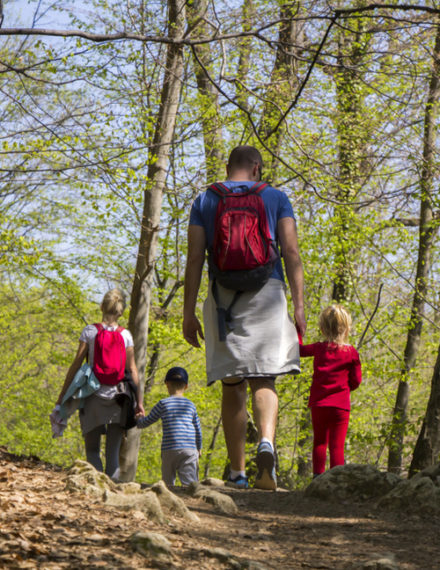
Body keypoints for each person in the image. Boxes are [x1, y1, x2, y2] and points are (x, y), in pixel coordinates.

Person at [183, 145, 306, 490]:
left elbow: (194, 258)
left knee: (232, 384)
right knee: (265, 379)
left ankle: (237, 472)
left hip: (224, 298)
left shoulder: (206, 200)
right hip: (268, 291)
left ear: (228, 167)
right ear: (256, 168)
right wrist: (298, 306)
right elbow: (291, 252)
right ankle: (266, 443)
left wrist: (188, 312)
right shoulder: (276, 197)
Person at [55, 289, 144, 480]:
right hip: (119, 399)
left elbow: (76, 364)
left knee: (93, 451)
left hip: (92, 396)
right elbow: (133, 371)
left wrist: (62, 396)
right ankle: (113, 496)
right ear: (121, 312)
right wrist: (139, 403)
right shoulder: (126, 335)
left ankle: (97, 493)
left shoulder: (90, 331)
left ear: (102, 306)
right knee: (112, 455)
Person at [298, 305, 362, 477]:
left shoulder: (319, 348)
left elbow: (299, 350)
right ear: (347, 328)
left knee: (320, 442)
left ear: (322, 328)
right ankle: (336, 480)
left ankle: (317, 477)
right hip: (340, 407)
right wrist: (346, 388)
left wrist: (298, 330)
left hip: (319, 404)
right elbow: (356, 381)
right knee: (337, 446)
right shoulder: (351, 353)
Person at [136, 367, 202, 487]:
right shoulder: (191, 405)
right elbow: (198, 429)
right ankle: (189, 502)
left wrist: (139, 419)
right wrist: (199, 447)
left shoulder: (163, 403)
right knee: (190, 485)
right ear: (186, 386)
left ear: (167, 384)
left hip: (169, 449)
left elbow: (145, 422)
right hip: (189, 449)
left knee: (167, 485)